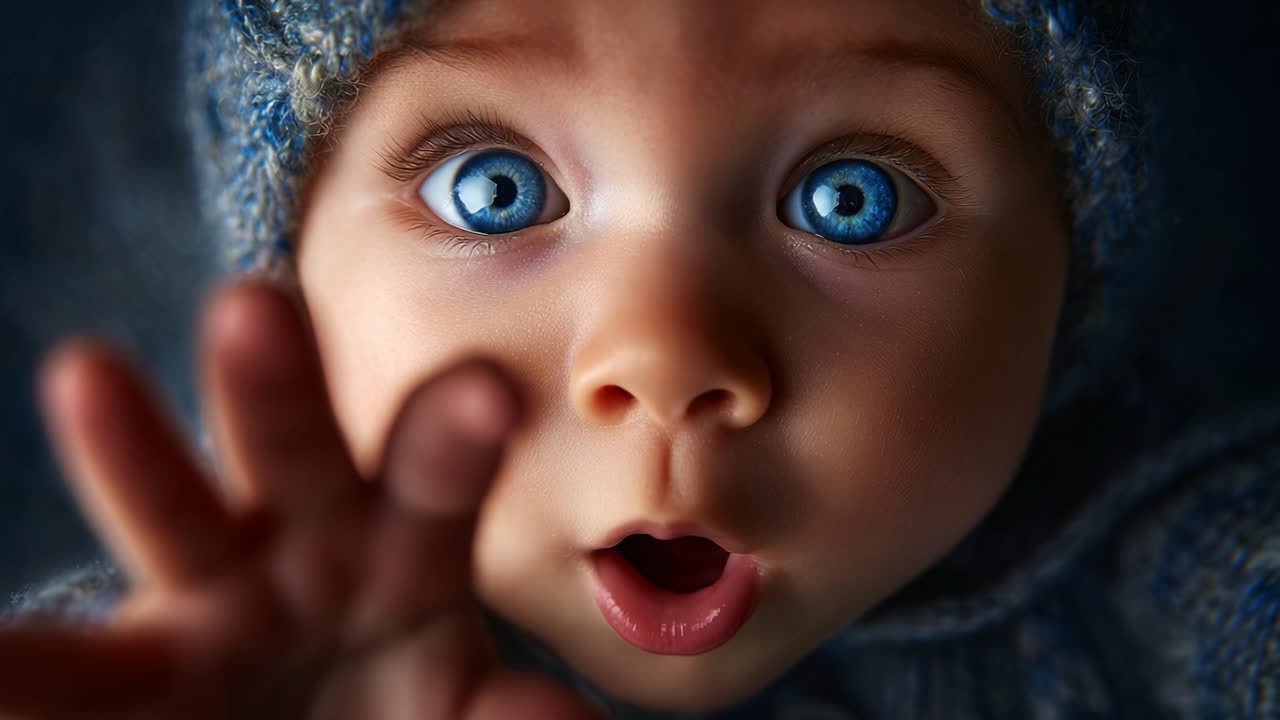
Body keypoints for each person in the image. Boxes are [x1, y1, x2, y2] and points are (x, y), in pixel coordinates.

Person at [4, 0, 1278, 717]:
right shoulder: (242, 667)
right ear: (291, 274)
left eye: (853, 201)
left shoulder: (1194, 589)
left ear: (1070, 276)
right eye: (493, 190)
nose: (665, 358)